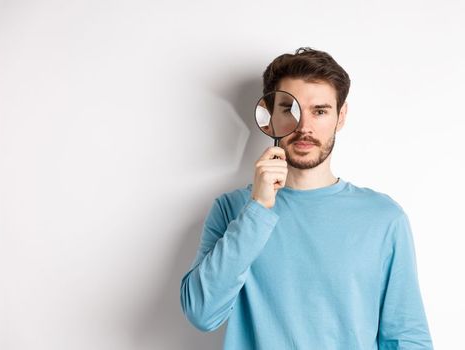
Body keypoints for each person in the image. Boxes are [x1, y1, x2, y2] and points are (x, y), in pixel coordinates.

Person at [180, 47, 433, 349]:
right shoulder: (232, 209)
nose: (304, 127)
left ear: (341, 117)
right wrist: (258, 209)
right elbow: (202, 313)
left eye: (320, 111)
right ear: (270, 116)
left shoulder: (384, 218)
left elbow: (407, 338)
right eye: (289, 109)